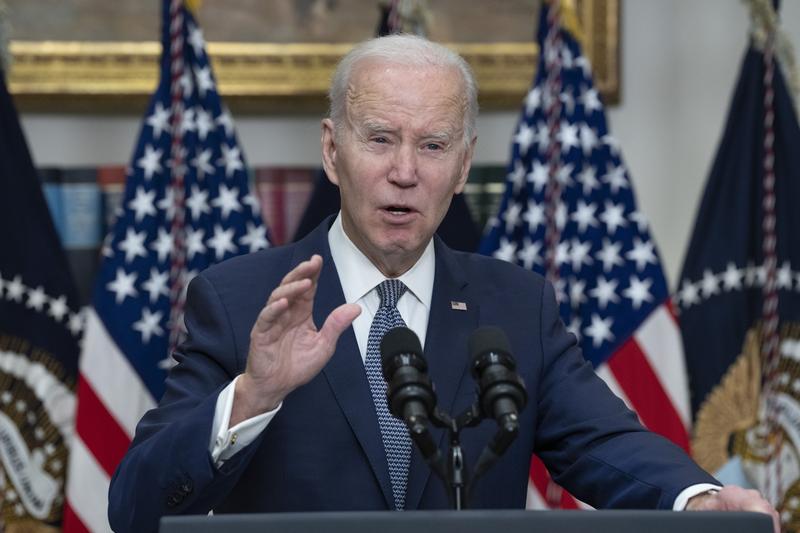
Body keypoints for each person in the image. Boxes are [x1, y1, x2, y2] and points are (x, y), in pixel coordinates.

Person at [108, 34, 779, 533]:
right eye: (379, 139)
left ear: (462, 167)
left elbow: (606, 443)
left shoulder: (516, 306)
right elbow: (135, 506)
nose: (405, 171)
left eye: (432, 146)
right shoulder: (242, 300)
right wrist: (253, 394)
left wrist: (700, 498)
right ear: (332, 149)